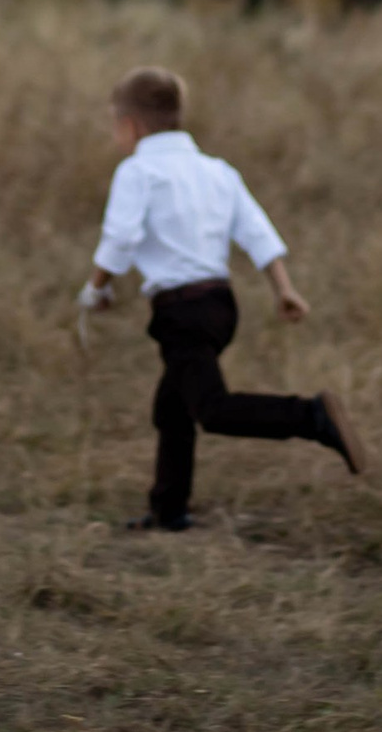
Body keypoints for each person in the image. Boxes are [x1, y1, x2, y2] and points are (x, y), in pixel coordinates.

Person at [82, 67, 366, 530]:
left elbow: (119, 238)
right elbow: (257, 232)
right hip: (220, 306)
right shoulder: (217, 171)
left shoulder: (137, 171)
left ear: (130, 126)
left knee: (211, 409)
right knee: (172, 407)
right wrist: (284, 289)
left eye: (115, 125)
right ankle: (168, 510)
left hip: (181, 311)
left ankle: (312, 416)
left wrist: (96, 288)